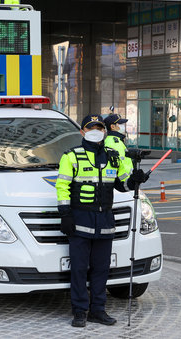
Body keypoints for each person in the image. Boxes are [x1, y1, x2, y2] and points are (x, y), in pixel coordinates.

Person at [56, 114, 148, 328]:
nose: (96, 130)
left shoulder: (113, 156)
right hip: (80, 220)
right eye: (91, 127)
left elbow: (122, 184)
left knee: (101, 269)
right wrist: (65, 215)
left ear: (104, 131)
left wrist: (134, 180)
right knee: (79, 269)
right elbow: (62, 188)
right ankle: (80, 311)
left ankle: (98, 310)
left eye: (99, 127)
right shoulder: (71, 156)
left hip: (105, 221)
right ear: (83, 132)